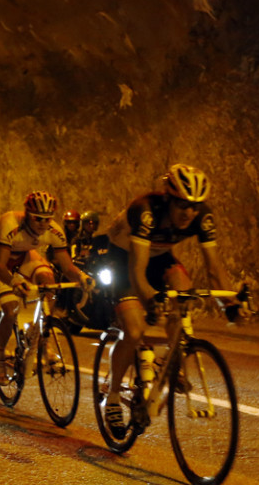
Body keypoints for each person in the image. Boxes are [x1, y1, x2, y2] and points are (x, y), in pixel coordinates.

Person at [100, 164, 241, 439]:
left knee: (184, 293)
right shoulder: (145, 211)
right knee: (135, 330)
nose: (188, 212)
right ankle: (113, 396)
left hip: (161, 258)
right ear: (168, 199)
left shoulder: (202, 216)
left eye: (194, 206)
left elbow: (214, 268)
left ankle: (173, 363)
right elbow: (138, 272)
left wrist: (231, 304)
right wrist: (151, 301)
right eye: (181, 205)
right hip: (124, 261)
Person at [0, 191, 92, 384]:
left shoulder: (54, 230)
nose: (43, 224)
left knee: (48, 279)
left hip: (26, 255)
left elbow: (67, 266)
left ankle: (41, 336)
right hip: (0, 260)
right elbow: (0, 266)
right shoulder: (10, 224)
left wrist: (83, 277)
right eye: (37, 219)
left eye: (47, 219)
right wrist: (15, 283)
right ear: (26, 214)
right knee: (11, 311)